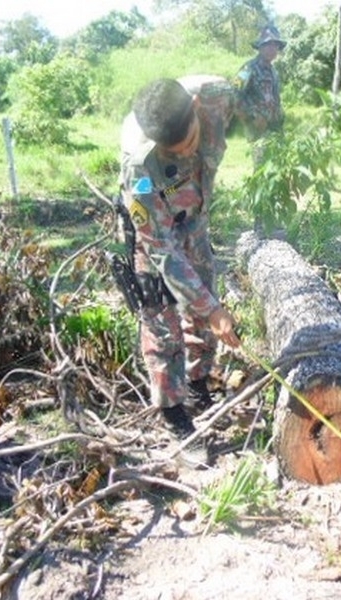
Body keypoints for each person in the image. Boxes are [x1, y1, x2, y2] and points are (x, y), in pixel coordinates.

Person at [118, 75, 241, 458]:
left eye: (190, 140)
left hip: (196, 219)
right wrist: (214, 310)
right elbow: (162, 250)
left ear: (194, 108)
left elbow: (250, 110)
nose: (188, 151)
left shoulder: (217, 98)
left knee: (203, 292)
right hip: (159, 232)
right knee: (162, 319)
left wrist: (208, 307)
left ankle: (199, 381)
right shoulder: (139, 169)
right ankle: (173, 412)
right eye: (176, 151)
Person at [234, 23, 286, 162]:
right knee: (262, 171)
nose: (272, 48)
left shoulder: (273, 71)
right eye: (268, 44)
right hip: (258, 130)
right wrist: (252, 118)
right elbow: (233, 95)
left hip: (276, 128)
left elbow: (275, 100)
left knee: (279, 168)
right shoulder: (248, 68)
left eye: (275, 45)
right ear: (260, 47)